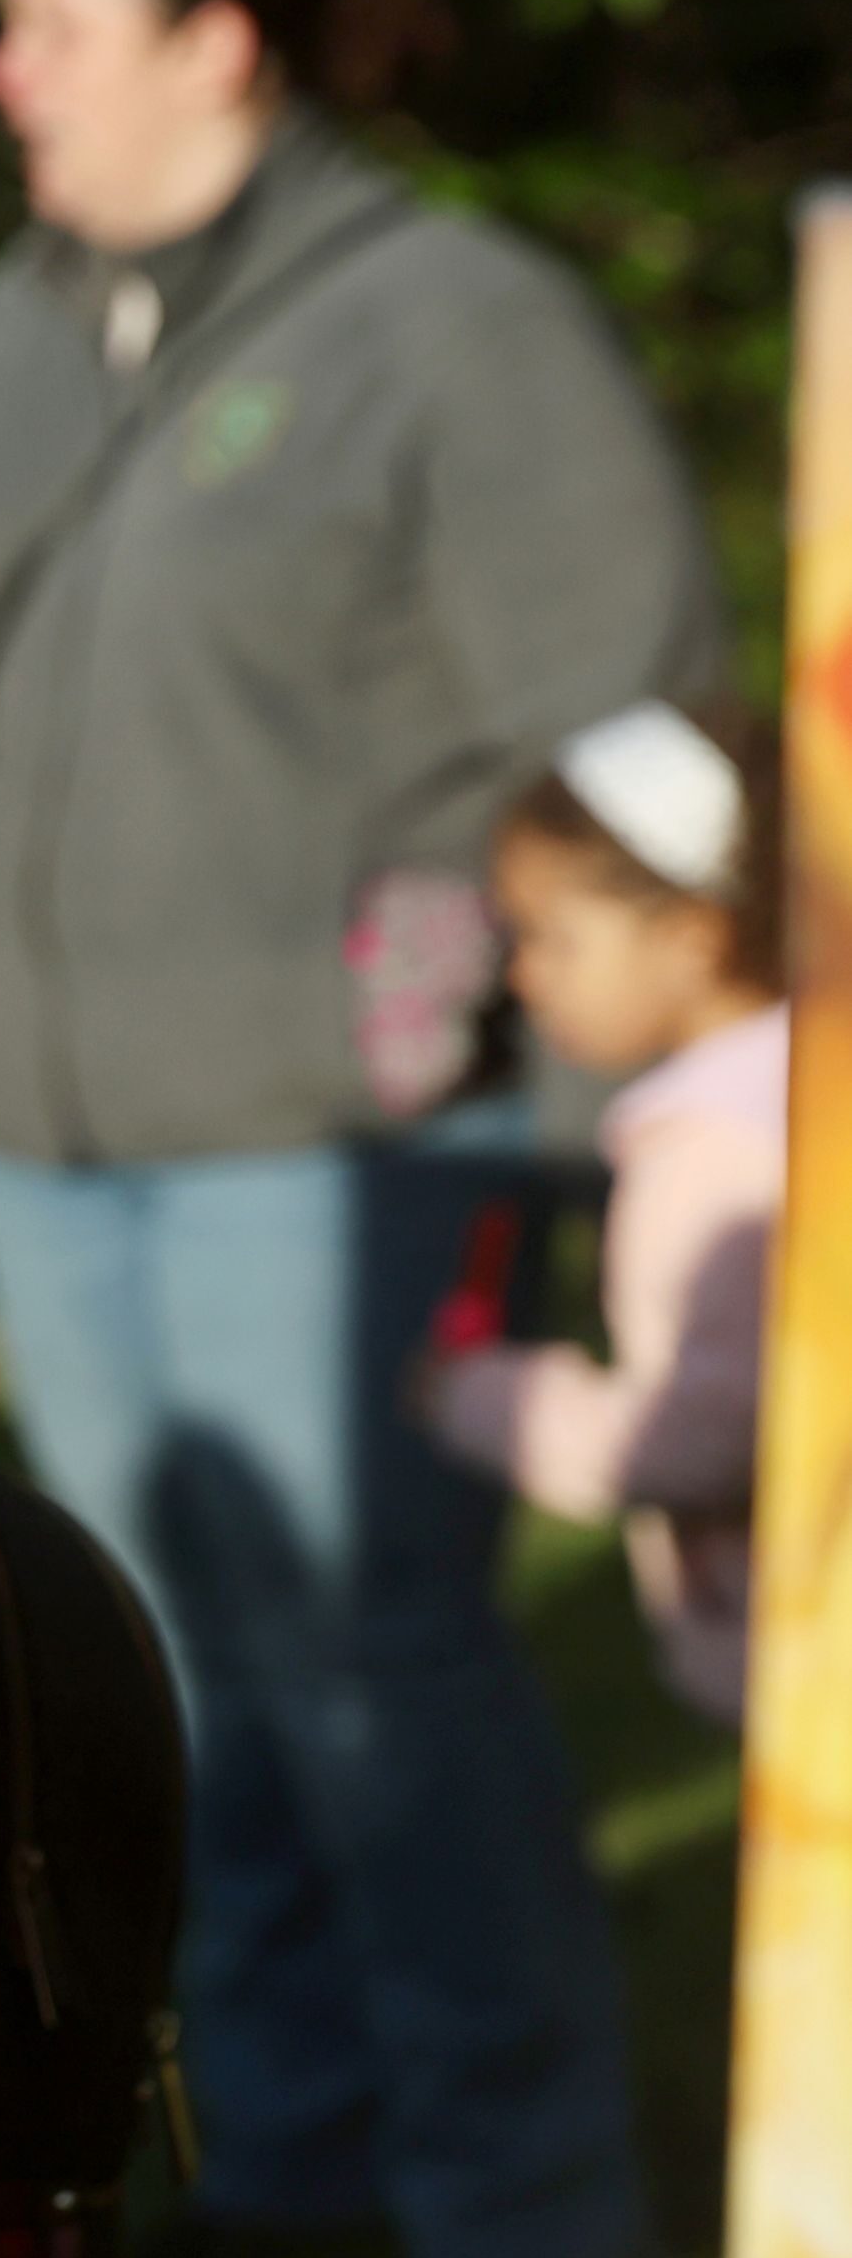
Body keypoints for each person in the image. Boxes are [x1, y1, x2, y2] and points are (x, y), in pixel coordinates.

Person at [0, 0, 715, 2258]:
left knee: (377, 1659)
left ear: (214, 49)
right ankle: (294, 2134)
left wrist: (474, 1028)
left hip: (344, 1138)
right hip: (53, 1132)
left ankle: (526, 2206)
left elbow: (632, 728)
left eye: (49, 24)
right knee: (157, 1676)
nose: (0, 69)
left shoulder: (458, 327)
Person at [423, 700, 783, 1730]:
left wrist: (488, 1397)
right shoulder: (799, 1083)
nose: (522, 974)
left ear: (690, 938)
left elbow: (705, 1432)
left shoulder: (712, 1149)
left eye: (550, 937)